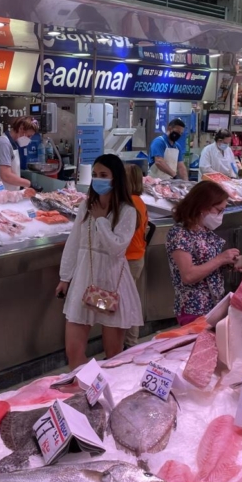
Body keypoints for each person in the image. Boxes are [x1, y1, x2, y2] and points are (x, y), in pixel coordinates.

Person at [56, 154, 141, 368]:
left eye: (104, 175)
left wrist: (102, 220)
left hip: (112, 284)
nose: (98, 179)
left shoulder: (127, 211)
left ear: (116, 178)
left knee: (114, 355)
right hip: (84, 281)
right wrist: (65, 278)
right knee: (73, 351)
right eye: (95, 174)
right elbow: (74, 242)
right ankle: (84, 385)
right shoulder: (86, 206)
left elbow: (116, 249)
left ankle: (110, 387)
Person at [166, 180, 241, 325]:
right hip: (193, 309)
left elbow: (206, 264)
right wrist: (220, 259)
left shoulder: (204, 230)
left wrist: (227, 263)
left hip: (214, 305)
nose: (221, 215)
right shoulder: (179, 234)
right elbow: (188, 275)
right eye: (219, 210)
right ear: (203, 206)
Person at [124, 164, 149, 349]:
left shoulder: (130, 203)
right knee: (129, 301)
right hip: (136, 257)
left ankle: (130, 344)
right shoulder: (138, 200)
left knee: (126, 304)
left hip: (129, 259)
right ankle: (128, 343)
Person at [0, 116, 37, 196]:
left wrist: (21, 182)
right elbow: (6, 175)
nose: (29, 139)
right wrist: (29, 183)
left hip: (4, 192)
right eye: (29, 136)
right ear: (21, 129)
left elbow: (10, 170)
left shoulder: (12, 144)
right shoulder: (4, 144)